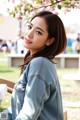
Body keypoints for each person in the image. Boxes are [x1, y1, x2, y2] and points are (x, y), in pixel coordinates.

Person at [2, 11, 67, 120]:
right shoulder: (38, 61)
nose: (29, 33)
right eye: (29, 26)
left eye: (38, 32)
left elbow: (28, 114)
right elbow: (17, 109)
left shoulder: (40, 64)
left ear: (50, 41)